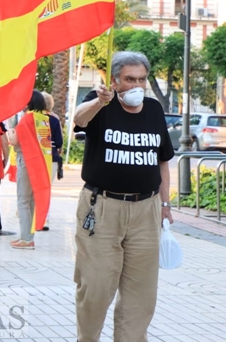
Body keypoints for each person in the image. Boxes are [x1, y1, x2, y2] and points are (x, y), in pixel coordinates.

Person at [72, 51, 174, 342]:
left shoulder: (154, 110)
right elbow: (78, 120)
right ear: (115, 82)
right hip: (102, 208)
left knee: (141, 294)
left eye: (141, 79)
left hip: (146, 210)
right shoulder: (99, 102)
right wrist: (98, 101)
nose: (137, 86)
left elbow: (163, 160)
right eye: (130, 80)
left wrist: (165, 204)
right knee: (95, 286)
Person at [6, 91, 51, 249]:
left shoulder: (27, 118)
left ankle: (26, 238)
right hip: (39, 162)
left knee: (23, 200)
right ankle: (28, 236)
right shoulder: (43, 118)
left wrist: (10, 131)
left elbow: (14, 140)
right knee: (31, 200)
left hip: (26, 160)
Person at [40, 92, 64, 231]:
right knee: (46, 188)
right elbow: (59, 141)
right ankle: (45, 219)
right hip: (52, 157)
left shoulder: (33, 118)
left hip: (37, 157)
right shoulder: (54, 120)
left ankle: (34, 218)